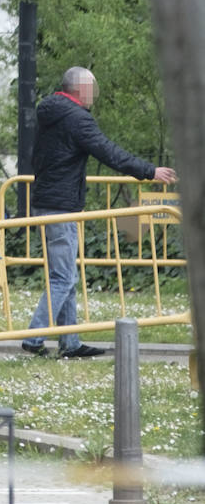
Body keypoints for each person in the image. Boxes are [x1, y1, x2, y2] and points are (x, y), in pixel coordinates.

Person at [21, 67, 178, 359]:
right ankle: (34, 337)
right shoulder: (77, 118)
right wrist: (149, 171)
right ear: (80, 89)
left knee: (65, 274)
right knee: (63, 277)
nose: (95, 94)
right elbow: (109, 152)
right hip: (61, 206)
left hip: (47, 200)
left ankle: (70, 342)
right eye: (93, 88)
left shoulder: (49, 112)